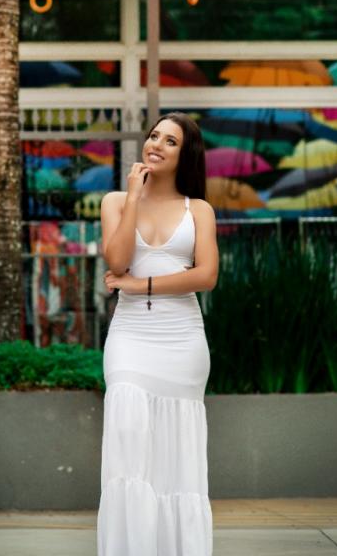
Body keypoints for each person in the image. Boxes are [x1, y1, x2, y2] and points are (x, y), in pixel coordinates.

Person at [97, 112, 219, 556]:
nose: (157, 145)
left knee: (177, 458)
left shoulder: (198, 209)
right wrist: (133, 196)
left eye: (170, 141)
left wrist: (140, 285)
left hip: (182, 340)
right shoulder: (115, 201)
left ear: (185, 154)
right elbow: (117, 262)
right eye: (154, 136)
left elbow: (206, 276)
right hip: (130, 336)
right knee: (129, 440)